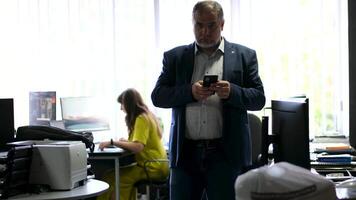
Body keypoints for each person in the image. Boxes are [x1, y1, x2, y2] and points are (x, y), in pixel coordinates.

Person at [151, 1, 265, 200]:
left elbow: (258, 99)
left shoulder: (244, 56)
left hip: (226, 155)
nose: (204, 31)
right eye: (199, 25)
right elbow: (158, 96)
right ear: (192, 24)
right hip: (185, 156)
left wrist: (233, 92)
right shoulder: (175, 57)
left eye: (211, 25)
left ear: (222, 24)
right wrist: (189, 92)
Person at [97, 88, 169, 200]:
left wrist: (113, 142)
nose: (121, 108)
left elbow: (138, 147)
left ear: (128, 104)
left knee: (114, 178)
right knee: (109, 175)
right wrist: (125, 142)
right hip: (158, 165)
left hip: (151, 167)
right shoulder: (148, 115)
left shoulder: (141, 119)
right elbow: (140, 142)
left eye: (122, 104)